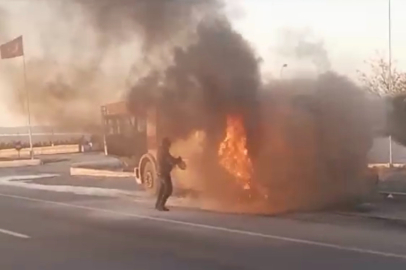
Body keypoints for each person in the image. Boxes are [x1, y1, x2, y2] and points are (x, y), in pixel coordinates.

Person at [155, 137, 184, 211]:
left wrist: (176, 161)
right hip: (164, 172)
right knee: (168, 189)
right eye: (168, 144)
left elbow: (169, 158)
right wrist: (178, 160)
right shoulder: (164, 151)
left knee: (162, 189)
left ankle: (157, 204)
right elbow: (170, 159)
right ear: (165, 144)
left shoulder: (161, 149)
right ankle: (161, 205)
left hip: (160, 171)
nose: (169, 146)